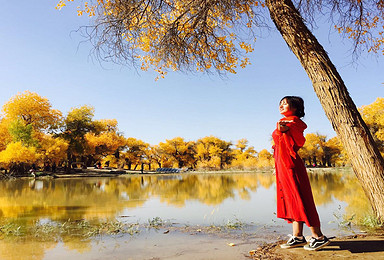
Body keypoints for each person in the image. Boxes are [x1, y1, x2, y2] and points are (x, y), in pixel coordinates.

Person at [272, 96, 330, 251]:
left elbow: (298, 140)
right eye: (280, 103)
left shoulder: (294, 123)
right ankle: (298, 236)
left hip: (291, 166)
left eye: (285, 103)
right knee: (291, 199)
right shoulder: (284, 122)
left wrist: (284, 130)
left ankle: (319, 237)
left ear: (296, 107)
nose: (281, 105)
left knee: (301, 198)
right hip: (282, 166)